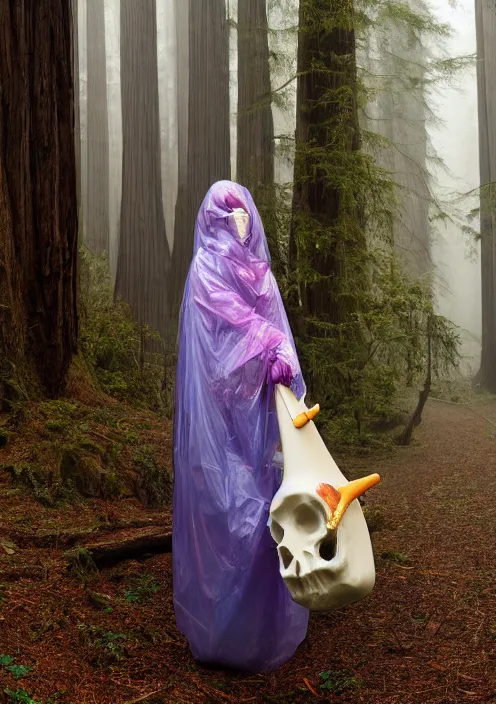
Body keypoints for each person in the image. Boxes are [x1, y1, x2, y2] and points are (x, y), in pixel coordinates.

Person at [172, 180, 308, 672]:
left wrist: (282, 361)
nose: (239, 225)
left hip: (261, 422)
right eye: (229, 216)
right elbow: (219, 344)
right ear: (213, 221)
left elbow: (277, 335)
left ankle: (264, 629)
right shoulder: (206, 271)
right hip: (219, 424)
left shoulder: (262, 277)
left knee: (270, 509)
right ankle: (223, 630)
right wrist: (266, 346)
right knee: (234, 513)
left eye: (243, 215)